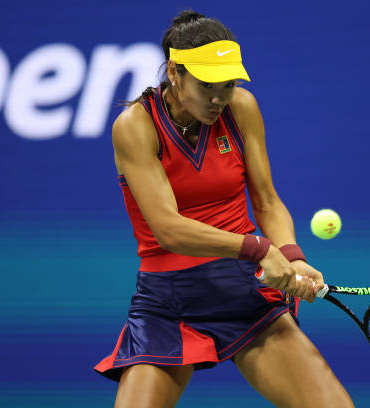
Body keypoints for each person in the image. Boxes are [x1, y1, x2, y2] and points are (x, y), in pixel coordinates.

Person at [94, 10, 355, 408]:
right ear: (175, 73)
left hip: (243, 293)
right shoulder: (134, 126)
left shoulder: (241, 107)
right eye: (207, 84)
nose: (219, 97)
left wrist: (290, 254)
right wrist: (258, 248)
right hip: (167, 304)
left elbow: (267, 200)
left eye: (228, 83)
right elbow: (168, 229)